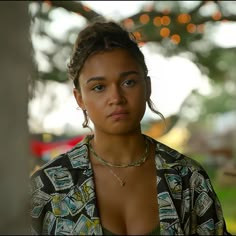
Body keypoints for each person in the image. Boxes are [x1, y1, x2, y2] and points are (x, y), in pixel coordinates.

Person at [30, 20, 231, 235]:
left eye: (129, 82)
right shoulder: (46, 188)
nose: (116, 98)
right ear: (80, 98)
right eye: (99, 87)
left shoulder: (188, 179)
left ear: (148, 87)